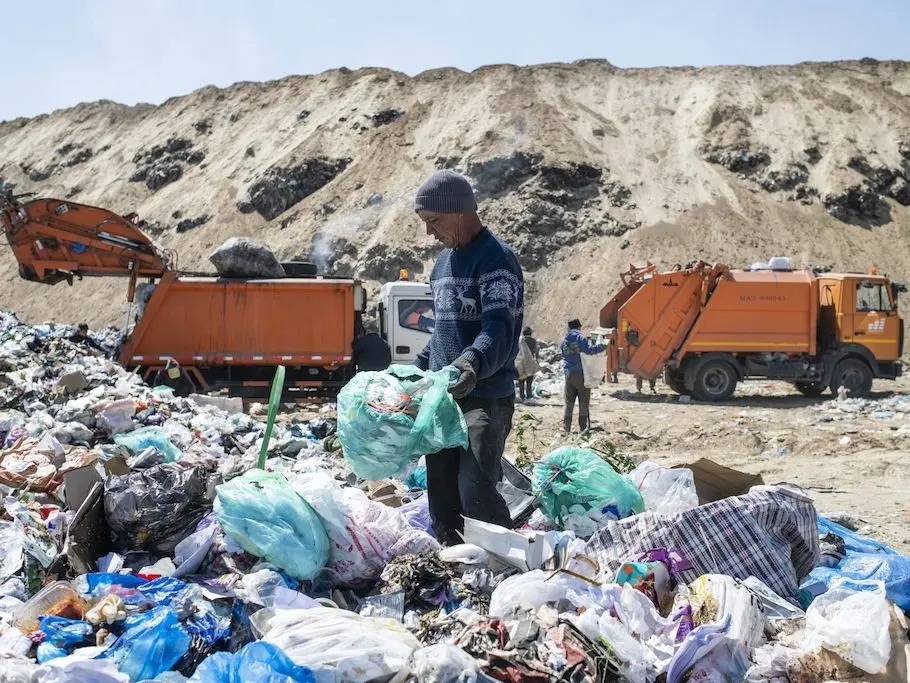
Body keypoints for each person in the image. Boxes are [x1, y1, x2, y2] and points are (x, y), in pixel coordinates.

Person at [413, 169, 524, 546]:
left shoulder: (496, 260)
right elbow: (444, 332)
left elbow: (499, 327)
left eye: (434, 221)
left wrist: (470, 363)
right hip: (443, 399)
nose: (430, 232)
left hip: (483, 396)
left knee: (474, 488)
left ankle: (501, 561)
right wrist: (412, 372)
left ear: (459, 212)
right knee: (442, 495)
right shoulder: (442, 265)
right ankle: (457, 567)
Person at [561, 319, 605, 433]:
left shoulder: (564, 340)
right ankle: (583, 428)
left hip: (568, 374)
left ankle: (566, 428)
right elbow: (589, 350)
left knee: (569, 402)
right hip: (581, 373)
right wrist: (601, 346)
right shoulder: (580, 338)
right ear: (579, 327)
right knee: (583, 401)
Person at [518, 327, 539, 402]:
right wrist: (537, 361)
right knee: (529, 381)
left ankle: (521, 396)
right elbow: (536, 351)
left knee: (521, 381)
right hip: (530, 362)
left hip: (521, 363)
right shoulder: (533, 341)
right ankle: (529, 396)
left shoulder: (520, 340)